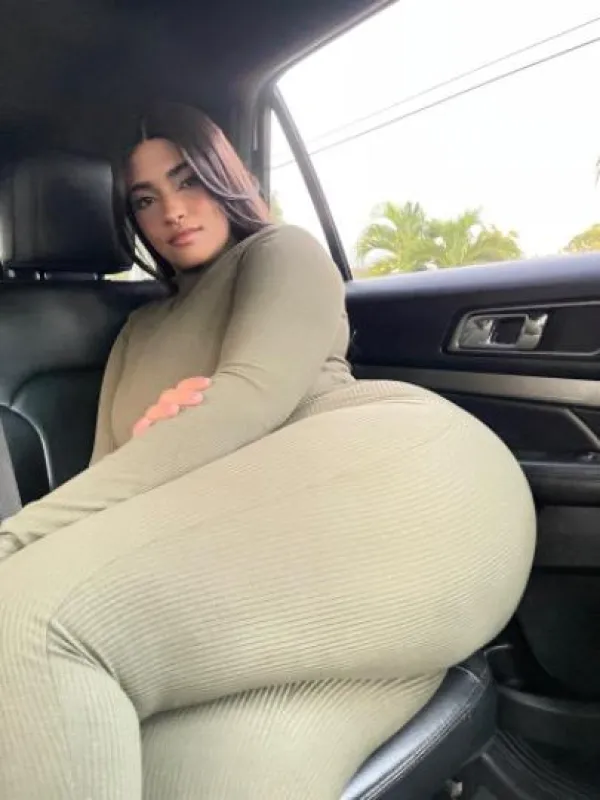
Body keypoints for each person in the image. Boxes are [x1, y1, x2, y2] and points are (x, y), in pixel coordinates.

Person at [0, 102, 536, 800]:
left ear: (232, 178)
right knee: (182, 776)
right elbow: (115, 474)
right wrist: (154, 441)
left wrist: (17, 539)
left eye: (189, 180)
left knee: (25, 617)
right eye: (145, 199)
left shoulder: (281, 252)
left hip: (396, 482)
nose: (172, 210)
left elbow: (246, 402)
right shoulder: (136, 331)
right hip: (277, 575)